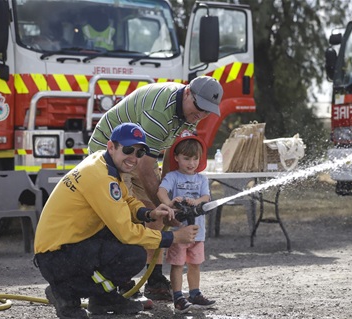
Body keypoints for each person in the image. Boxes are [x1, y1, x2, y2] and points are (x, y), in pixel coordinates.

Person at [34, 123, 199, 319]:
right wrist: (172, 237)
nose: (133, 158)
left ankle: (103, 300)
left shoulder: (103, 163)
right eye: (128, 150)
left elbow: (125, 199)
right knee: (133, 254)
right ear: (111, 146)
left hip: (64, 248)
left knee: (126, 239)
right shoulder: (101, 177)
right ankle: (65, 294)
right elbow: (127, 233)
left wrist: (149, 214)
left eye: (139, 153)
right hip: (56, 257)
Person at [88, 76, 223, 301]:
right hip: (111, 152)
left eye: (207, 111)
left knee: (156, 215)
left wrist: (168, 198)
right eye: (199, 107)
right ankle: (120, 284)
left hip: (137, 155)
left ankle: (155, 279)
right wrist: (165, 206)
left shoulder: (191, 113)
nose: (201, 115)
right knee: (124, 216)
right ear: (188, 92)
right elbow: (144, 167)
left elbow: (171, 154)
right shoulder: (161, 110)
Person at [157, 132, 215, 314]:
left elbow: (206, 197)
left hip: (198, 232)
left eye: (195, 159)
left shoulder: (201, 179)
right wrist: (169, 205)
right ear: (176, 157)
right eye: (186, 158)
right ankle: (178, 297)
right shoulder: (173, 177)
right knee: (177, 264)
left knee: (195, 263)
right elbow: (161, 191)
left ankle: (194, 293)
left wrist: (196, 202)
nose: (191, 163)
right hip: (178, 232)